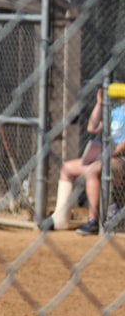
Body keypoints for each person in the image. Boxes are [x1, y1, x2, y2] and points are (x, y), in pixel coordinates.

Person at [41, 89, 125, 235]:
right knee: (67, 169)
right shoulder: (116, 111)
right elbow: (92, 128)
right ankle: (60, 218)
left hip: (120, 159)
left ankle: (93, 221)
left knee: (93, 170)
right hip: (105, 157)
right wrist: (100, 104)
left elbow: (121, 147)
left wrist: (113, 151)